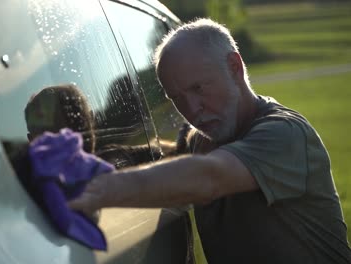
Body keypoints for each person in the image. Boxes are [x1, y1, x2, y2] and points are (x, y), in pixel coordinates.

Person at [69, 18, 351, 263]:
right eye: (176, 98)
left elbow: (209, 176)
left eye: (198, 88)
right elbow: (169, 157)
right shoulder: (200, 140)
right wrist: (94, 157)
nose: (191, 110)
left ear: (234, 66)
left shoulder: (284, 134)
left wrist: (97, 189)